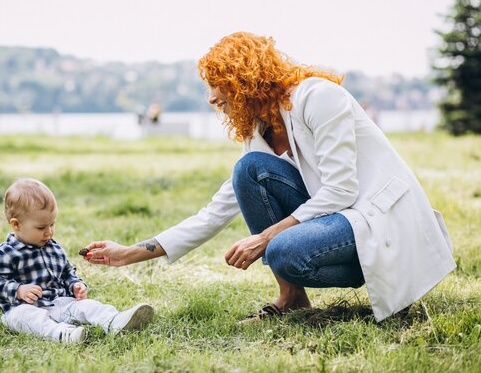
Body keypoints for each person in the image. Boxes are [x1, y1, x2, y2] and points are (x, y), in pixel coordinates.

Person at [82, 32, 455, 322]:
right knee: (248, 172)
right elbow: (215, 212)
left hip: (380, 221)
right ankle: (292, 298)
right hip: (341, 221)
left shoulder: (318, 97)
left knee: (282, 249)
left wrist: (265, 237)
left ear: (246, 78)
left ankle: (387, 278)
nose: (212, 98)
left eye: (218, 82)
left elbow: (342, 190)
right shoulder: (259, 131)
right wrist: (131, 252)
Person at [0, 178, 154, 343]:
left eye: (52, 224)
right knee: (25, 318)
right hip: (24, 307)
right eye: (41, 227)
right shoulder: (5, 252)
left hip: (59, 303)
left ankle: (114, 321)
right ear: (16, 225)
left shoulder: (54, 248)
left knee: (87, 306)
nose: (49, 232)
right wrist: (19, 290)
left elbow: (67, 273)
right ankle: (61, 333)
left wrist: (75, 285)